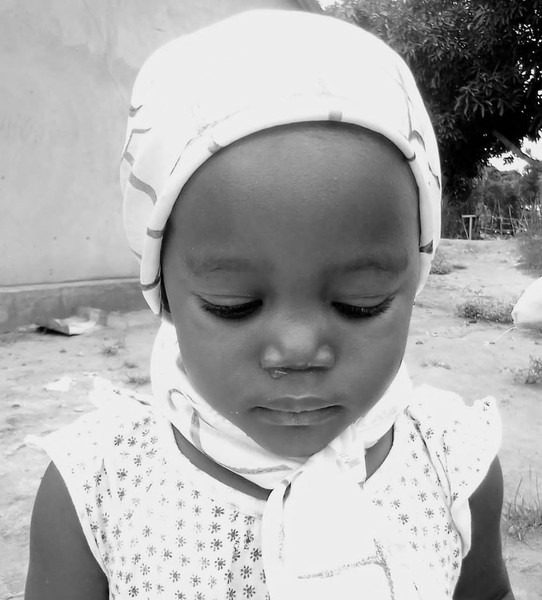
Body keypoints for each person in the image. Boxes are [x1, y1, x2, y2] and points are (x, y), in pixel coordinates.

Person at [25, 10, 514, 600]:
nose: (298, 350)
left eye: (361, 304)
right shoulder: (99, 492)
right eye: (232, 305)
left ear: (415, 279)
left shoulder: (454, 468)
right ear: (165, 293)